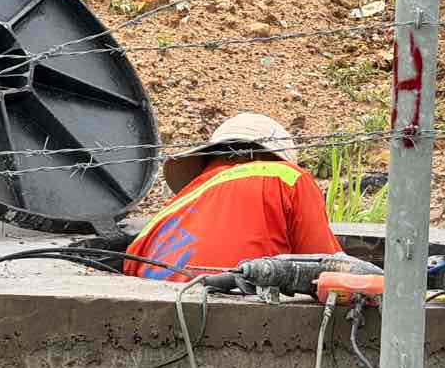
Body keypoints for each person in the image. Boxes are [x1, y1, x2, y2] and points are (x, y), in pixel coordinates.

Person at [123, 113, 341, 281]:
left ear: (209, 159)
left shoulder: (157, 223)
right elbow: (330, 272)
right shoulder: (287, 178)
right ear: (273, 157)